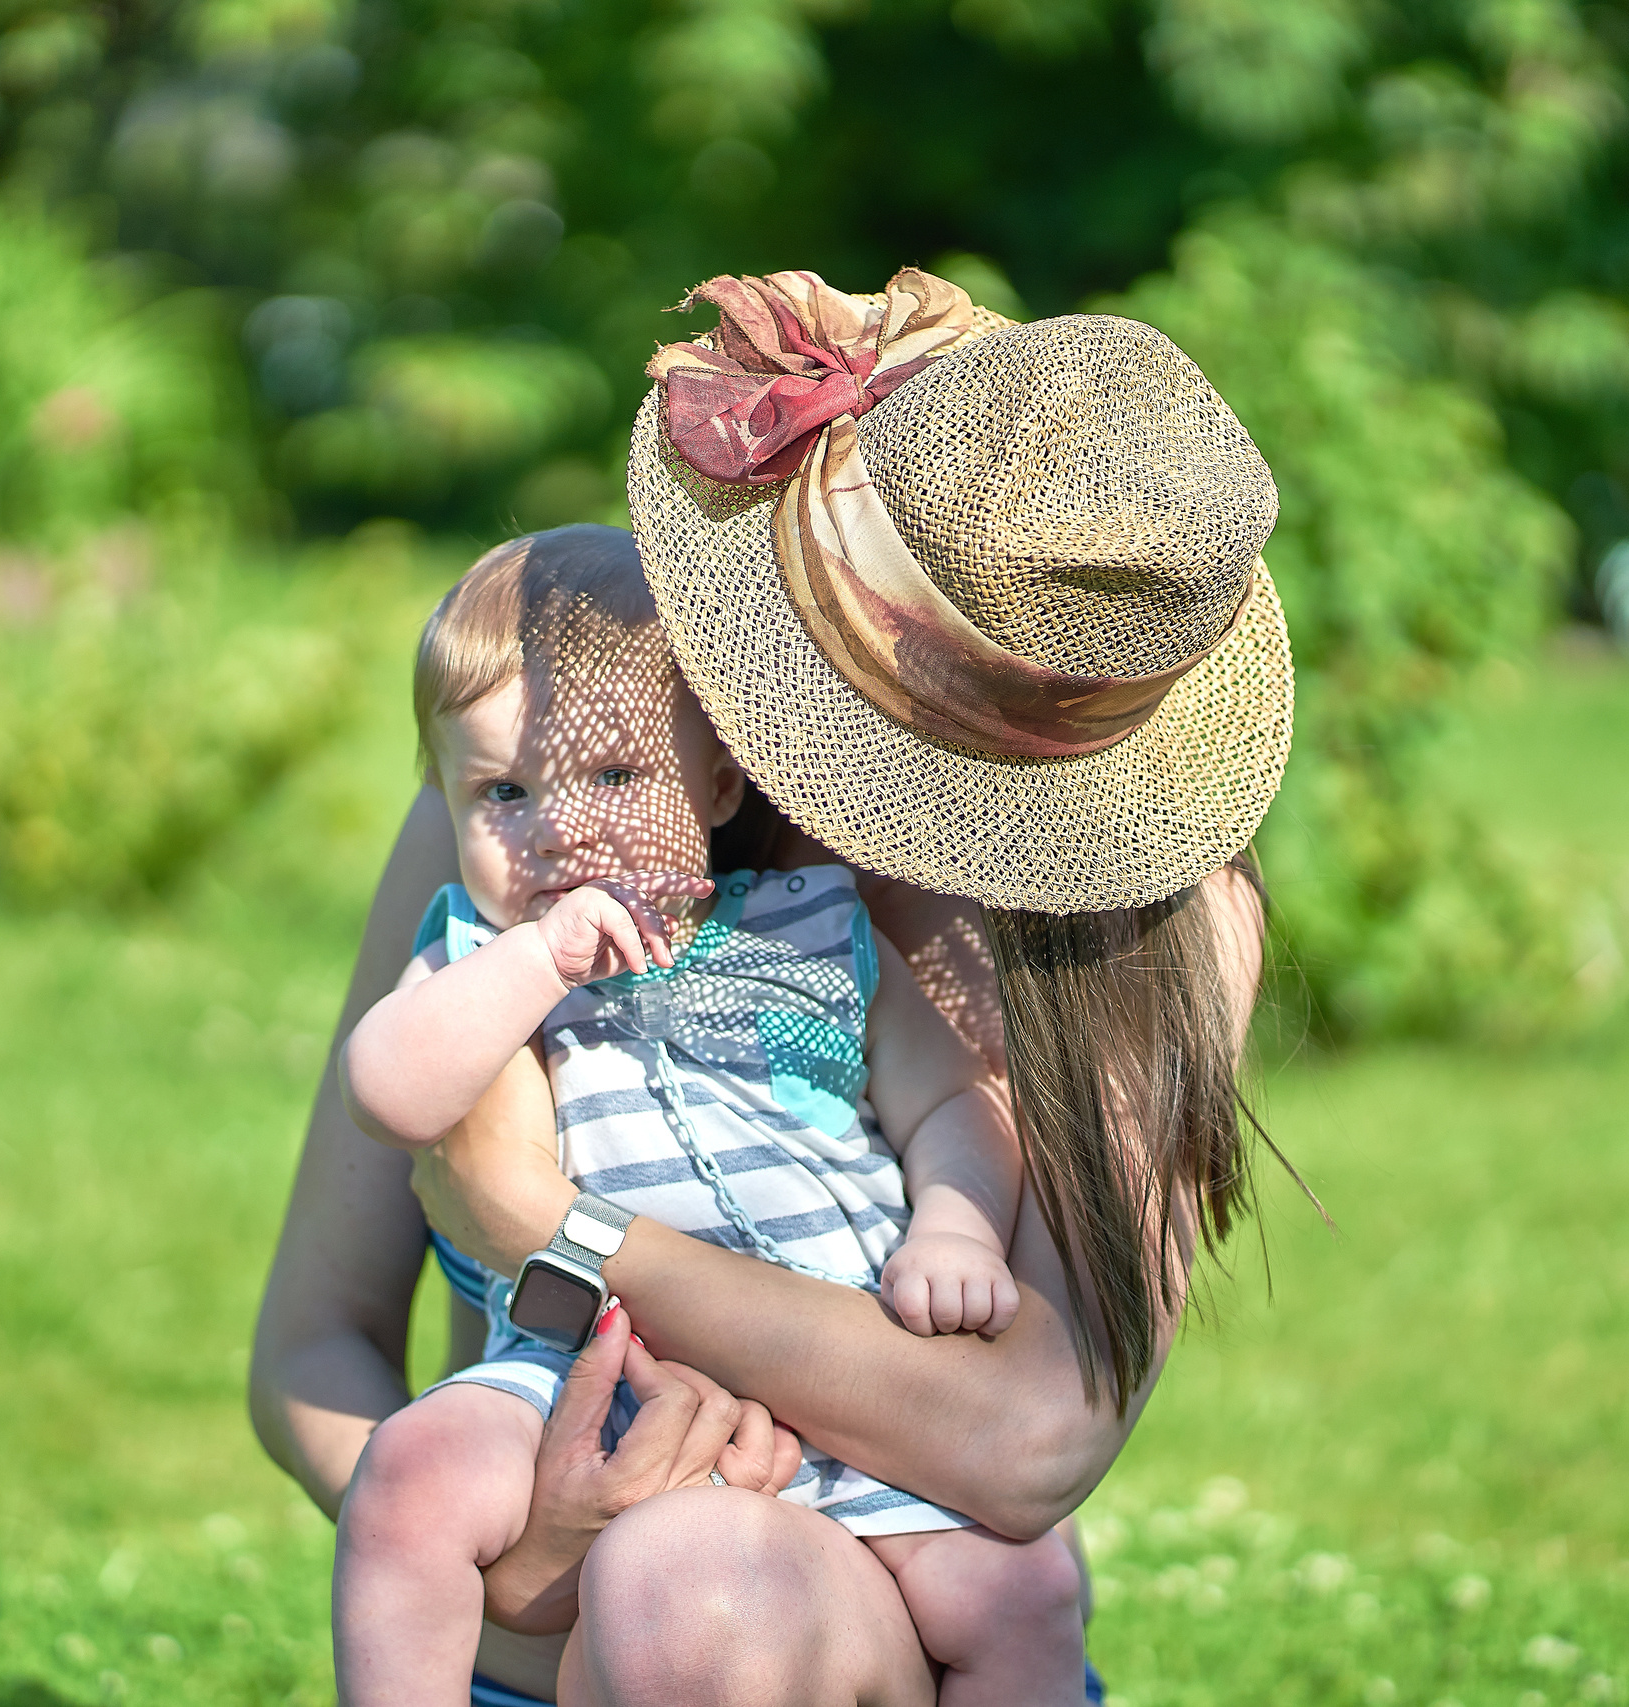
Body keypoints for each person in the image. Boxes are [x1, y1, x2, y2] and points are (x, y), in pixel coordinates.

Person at [249, 264, 1295, 1707]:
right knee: (661, 1571)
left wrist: (555, 1222)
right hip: (523, 1589)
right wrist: (527, 1555)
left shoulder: (1157, 932)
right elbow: (315, 1345)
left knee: (699, 1587)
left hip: (817, 1615)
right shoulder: (560, 810)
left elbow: (1032, 1434)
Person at [333, 525, 1083, 1707]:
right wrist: (535, 966)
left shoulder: (818, 935)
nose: (558, 829)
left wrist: (953, 1228)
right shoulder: (482, 956)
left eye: (614, 777)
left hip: (843, 1384)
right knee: (410, 1476)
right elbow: (387, 1087)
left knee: (1023, 1593)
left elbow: (951, 1103)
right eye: (502, 794)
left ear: (722, 782)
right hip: (576, 1370)